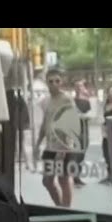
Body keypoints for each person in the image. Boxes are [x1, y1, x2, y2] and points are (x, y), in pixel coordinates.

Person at [36, 68, 76, 207]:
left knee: (63, 179)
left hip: (64, 145)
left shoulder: (66, 99)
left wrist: (65, 147)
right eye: (50, 81)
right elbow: (44, 123)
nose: (54, 84)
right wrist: (37, 144)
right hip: (50, 146)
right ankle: (59, 206)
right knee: (47, 181)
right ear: (46, 83)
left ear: (61, 82)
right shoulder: (45, 101)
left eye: (57, 81)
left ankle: (67, 210)